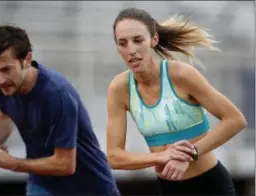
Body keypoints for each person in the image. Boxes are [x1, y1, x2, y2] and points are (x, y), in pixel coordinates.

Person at [106, 8, 247, 196]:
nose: (131, 50)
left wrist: (190, 154)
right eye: (123, 43)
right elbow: (114, 157)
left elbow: (235, 120)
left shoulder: (181, 75)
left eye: (138, 40)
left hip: (211, 186)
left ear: (153, 40)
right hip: (169, 188)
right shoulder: (119, 88)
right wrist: (161, 157)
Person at [0, 25, 120, 196]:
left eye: (6, 69)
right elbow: (5, 113)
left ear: (27, 59)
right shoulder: (3, 85)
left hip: (90, 188)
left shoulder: (57, 94)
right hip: (43, 185)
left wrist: (12, 163)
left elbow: (65, 164)